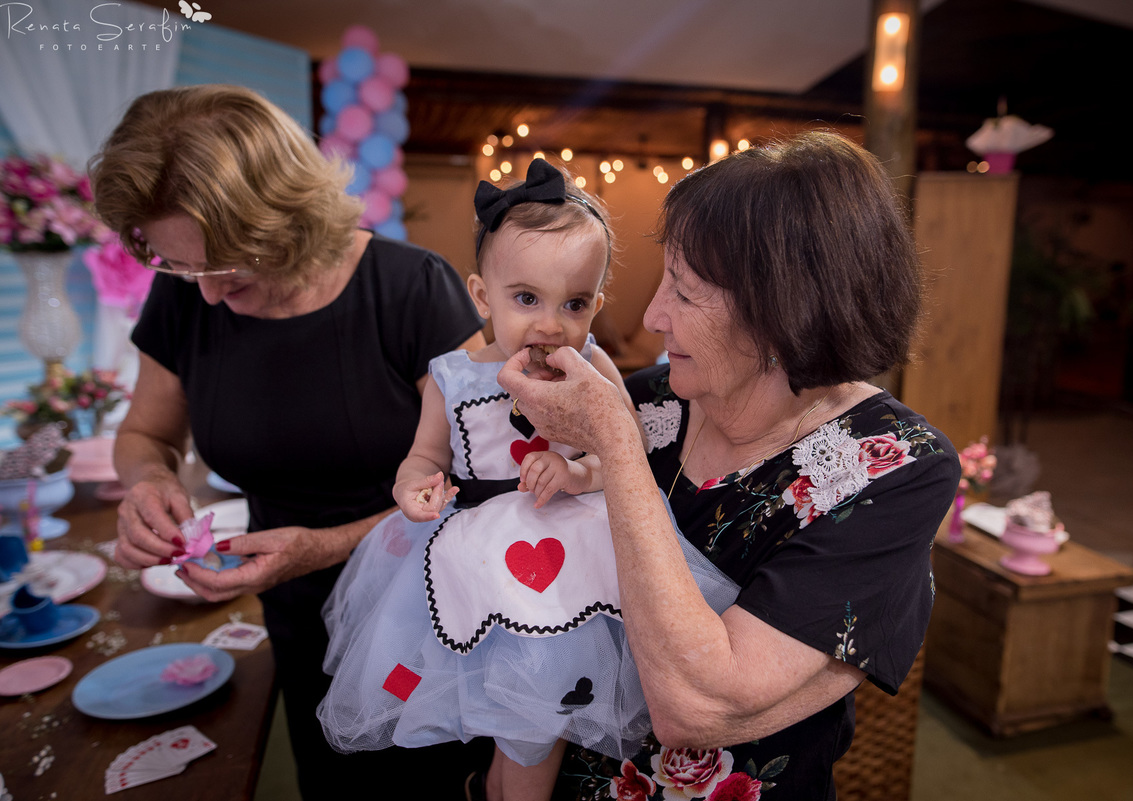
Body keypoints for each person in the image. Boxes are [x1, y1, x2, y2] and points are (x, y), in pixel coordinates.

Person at [496, 132, 961, 801]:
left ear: (782, 314)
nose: (654, 314)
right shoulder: (657, 396)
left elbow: (692, 708)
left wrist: (618, 450)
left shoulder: (894, 467)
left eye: (683, 293)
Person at [87, 84, 488, 799]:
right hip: (296, 613)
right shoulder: (186, 293)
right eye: (181, 266)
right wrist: (148, 477)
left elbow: (485, 486)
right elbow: (146, 432)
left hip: (432, 613)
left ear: (286, 217)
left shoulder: (411, 292)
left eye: (226, 265)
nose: (205, 295)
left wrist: (326, 546)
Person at [318, 159, 739, 801]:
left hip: (575, 554)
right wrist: (414, 487)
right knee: (492, 713)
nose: (549, 324)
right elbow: (424, 456)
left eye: (573, 304)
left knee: (538, 719)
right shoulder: (453, 378)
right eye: (525, 300)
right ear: (482, 297)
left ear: (597, 304)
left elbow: (622, 459)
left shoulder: (594, 366)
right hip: (477, 555)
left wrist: (575, 470)